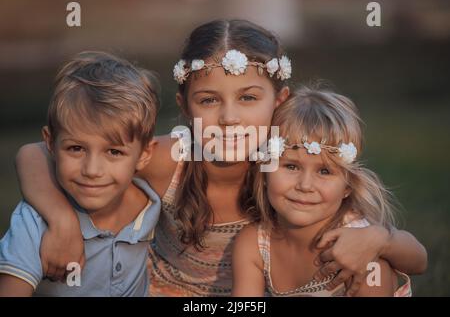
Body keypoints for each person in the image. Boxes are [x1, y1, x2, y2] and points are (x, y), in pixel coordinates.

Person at [14, 20, 427, 297]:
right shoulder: (173, 158)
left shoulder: (293, 168)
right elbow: (35, 153)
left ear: (279, 100)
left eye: (248, 98)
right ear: (185, 105)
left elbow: (386, 237)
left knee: (378, 268)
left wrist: (379, 238)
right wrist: (63, 220)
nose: (229, 118)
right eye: (209, 100)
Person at [0, 51, 161, 296]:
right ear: (50, 143)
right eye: (76, 148)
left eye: (114, 152)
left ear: (144, 155)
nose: (92, 170)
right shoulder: (34, 222)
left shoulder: (153, 205)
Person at [232, 86, 414, 297]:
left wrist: (381, 240)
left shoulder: (360, 248)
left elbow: (420, 261)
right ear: (264, 173)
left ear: (347, 186)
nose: (305, 185)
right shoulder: (254, 243)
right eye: (291, 166)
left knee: (376, 266)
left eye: (324, 171)